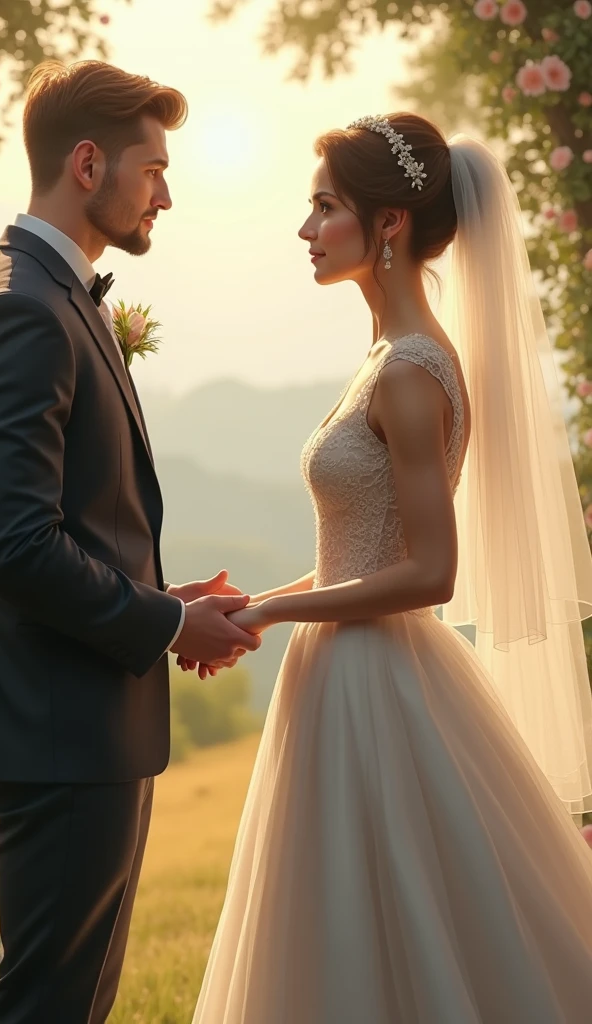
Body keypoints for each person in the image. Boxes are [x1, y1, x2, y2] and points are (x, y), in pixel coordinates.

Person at [188, 113, 592, 1023]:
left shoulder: (411, 371)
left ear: (390, 224)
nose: (305, 230)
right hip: (341, 669)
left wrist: (275, 618)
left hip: (379, 680)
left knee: (397, 912)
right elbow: (355, 552)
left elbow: (430, 573)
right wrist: (253, 602)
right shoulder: (382, 358)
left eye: (324, 206)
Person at [0, 60, 259, 1024]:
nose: (167, 191)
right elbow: (18, 546)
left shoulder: (47, 293)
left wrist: (168, 598)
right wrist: (164, 624)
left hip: (80, 719)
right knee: (49, 1006)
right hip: (59, 727)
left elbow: (64, 515)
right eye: (152, 168)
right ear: (86, 163)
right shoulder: (18, 312)